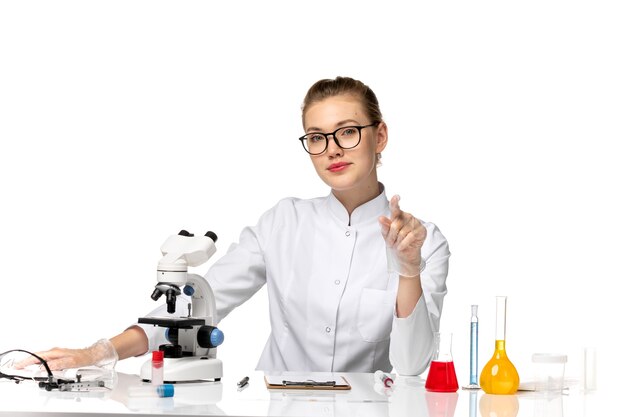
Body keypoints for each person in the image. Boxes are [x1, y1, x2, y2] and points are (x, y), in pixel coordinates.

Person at [16, 76, 450, 375]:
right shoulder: (284, 222)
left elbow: (412, 364)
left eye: (347, 131)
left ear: (381, 136)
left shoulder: (424, 242)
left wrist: (407, 268)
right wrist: (100, 351)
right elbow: (199, 304)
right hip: (275, 405)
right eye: (316, 137)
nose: (332, 149)